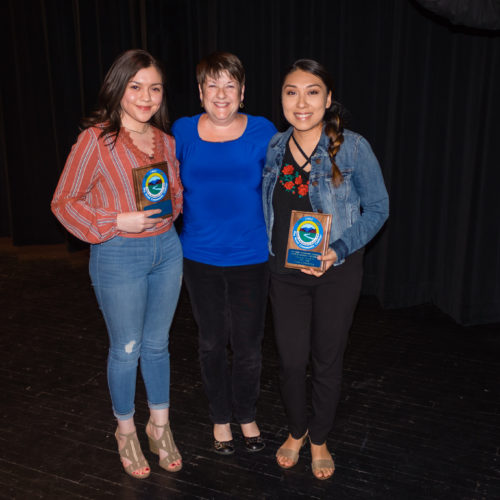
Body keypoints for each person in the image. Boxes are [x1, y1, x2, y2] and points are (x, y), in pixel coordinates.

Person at [51, 49, 184, 478]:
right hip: (118, 255)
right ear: (119, 88)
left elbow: (176, 194)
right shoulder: (96, 140)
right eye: (136, 87)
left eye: (155, 88)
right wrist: (115, 220)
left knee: (158, 345)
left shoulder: (165, 141)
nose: (146, 97)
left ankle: (159, 426)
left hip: (166, 251)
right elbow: (64, 202)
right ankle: (125, 430)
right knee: (126, 349)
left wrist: (171, 208)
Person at [262, 59, 389, 480]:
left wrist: (337, 249)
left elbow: (379, 208)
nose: (302, 102)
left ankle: (319, 438)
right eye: (291, 91)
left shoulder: (352, 147)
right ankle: (296, 430)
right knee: (292, 362)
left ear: (328, 99)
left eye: (312, 91)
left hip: (337, 272)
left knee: (327, 359)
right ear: (281, 98)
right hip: (285, 274)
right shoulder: (275, 147)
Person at [172, 52, 277, 455]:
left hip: (252, 256)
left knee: (249, 344)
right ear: (200, 92)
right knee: (212, 342)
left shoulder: (263, 130)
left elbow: (286, 185)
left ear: (243, 92)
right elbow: (157, 181)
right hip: (199, 257)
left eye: (230, 85)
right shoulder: (181, 131)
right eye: (212, 85)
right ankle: (220, 417)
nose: (221, 94)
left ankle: (246, 414)